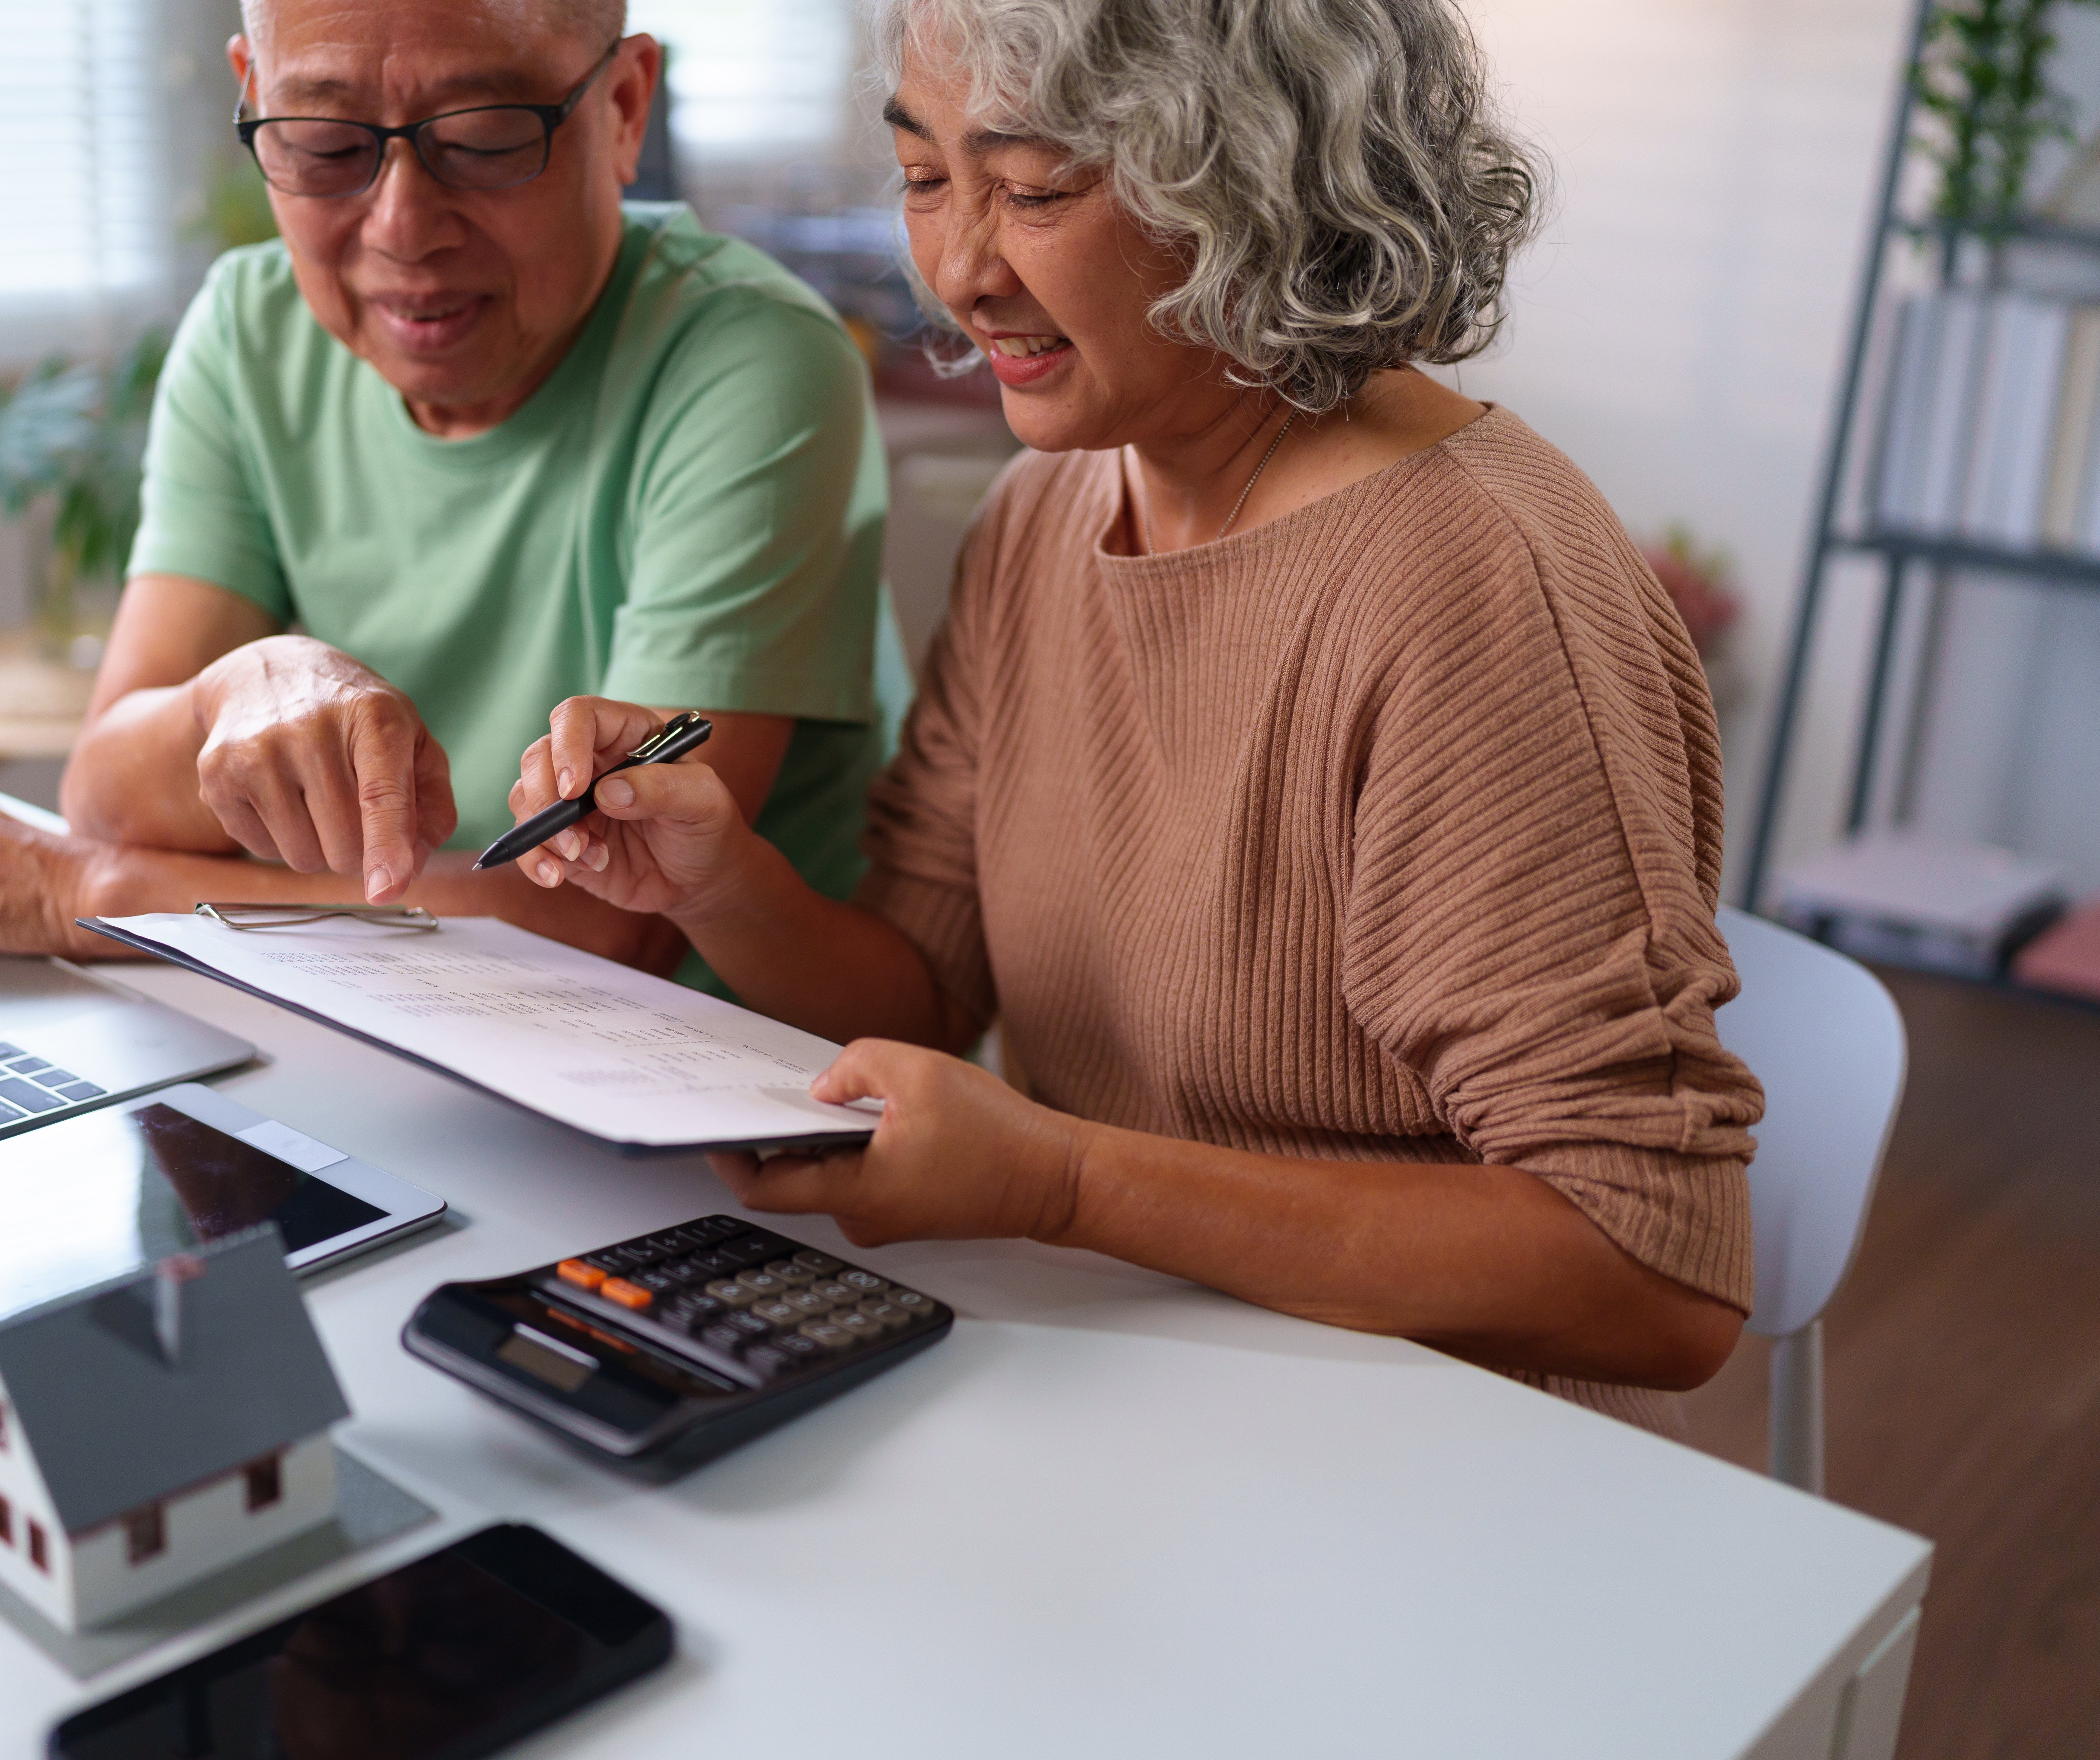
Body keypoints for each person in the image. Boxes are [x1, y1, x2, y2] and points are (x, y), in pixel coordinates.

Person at [498, 0, 1763, 1431]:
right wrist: (720, 880)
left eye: (1034, 191)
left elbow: (1652, 1272)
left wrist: (1067, 1181)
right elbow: (925, 990)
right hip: (1100, 1366)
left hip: (1396, 1448)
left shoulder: (1467, 591)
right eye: (925, 179)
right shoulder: (1050, 508)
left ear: (1258, 182)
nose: (961, 275)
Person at [0, 0, 897, 985]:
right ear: (255, 99)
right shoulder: (254, 330)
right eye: (322, 143)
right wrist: (235, 691)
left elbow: (607, 927)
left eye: (485, 138)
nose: (401, 227)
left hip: (708, 1104)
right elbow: (107, 788)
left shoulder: (749, 362)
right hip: (377, 1029)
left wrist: (90, 895)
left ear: (623, 107)